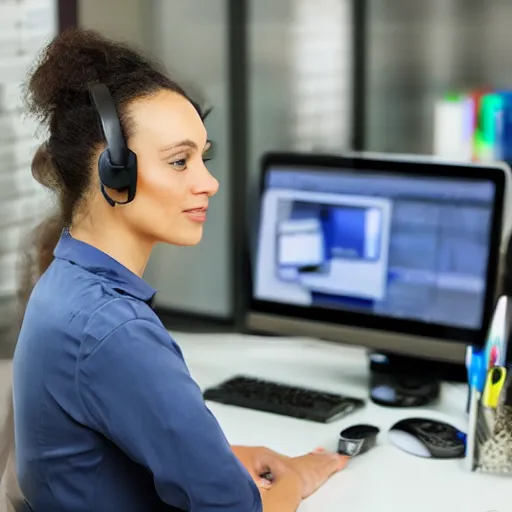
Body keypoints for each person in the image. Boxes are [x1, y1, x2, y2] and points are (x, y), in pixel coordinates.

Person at [4, 28, 348, 512]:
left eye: (202, 158)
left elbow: (102, 455)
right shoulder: (113, 329)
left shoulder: (65, 285)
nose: (209, 182)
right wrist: (297, 475)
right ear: (113, 172)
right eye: (180, 161)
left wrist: (223, 460)